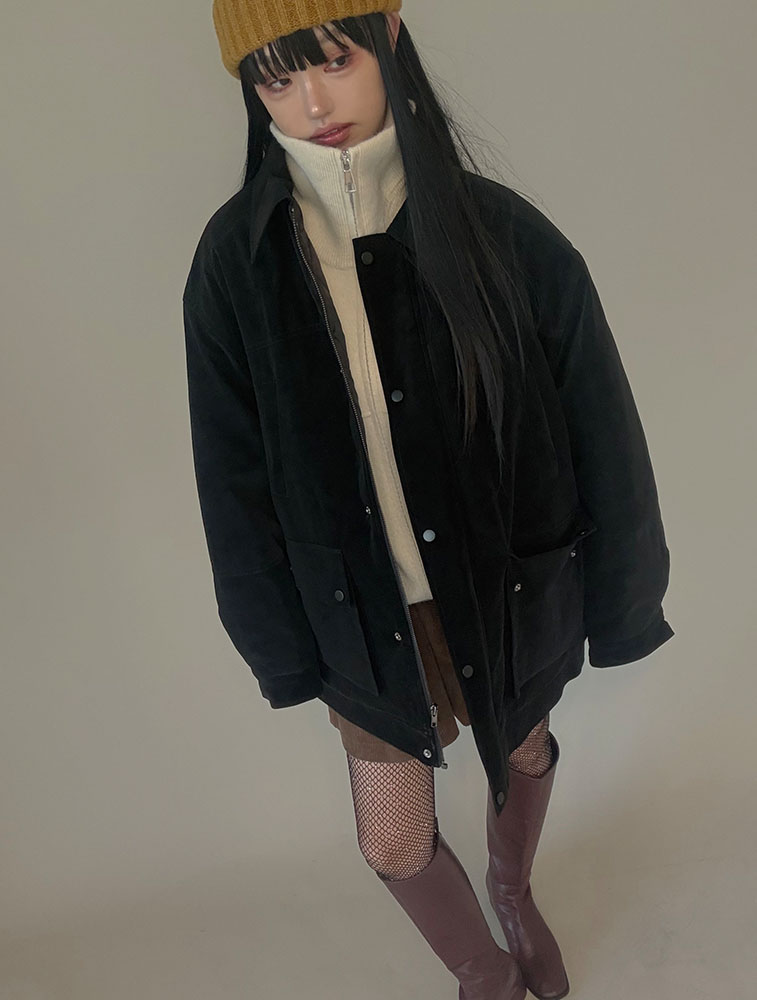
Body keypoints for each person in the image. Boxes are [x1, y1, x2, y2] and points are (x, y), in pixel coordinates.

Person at [182, 3, 675, 997]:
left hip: (508, 586)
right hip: (359, 616)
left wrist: (625, 602)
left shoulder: (504, 235)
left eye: (334, 60)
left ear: (390, 40)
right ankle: (482, 970)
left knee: (521, 748)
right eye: (276, 78)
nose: (311, 102)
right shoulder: (238, 263)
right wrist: (275, 644)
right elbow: (230, 477)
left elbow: (602, 428)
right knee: (393, 836)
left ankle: (511, 888)